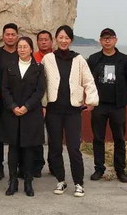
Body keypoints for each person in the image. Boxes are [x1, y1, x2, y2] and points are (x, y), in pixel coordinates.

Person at [41, 25, 98, 198]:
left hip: (73, 111)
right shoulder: (48, 59)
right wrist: (42, 105)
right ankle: (60, 180)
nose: (63, 40)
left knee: (74, 148)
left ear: (71, 40)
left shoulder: (79, 59)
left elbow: (88, 81)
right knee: (55, 148)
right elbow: (41, 83)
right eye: (61, 37)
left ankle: (79, 183)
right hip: (53, 110)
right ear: (56, 39)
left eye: (67, 38)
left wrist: (91, 100)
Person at [87, 28, 127, 183]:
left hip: (117, 106)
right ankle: (99, 169)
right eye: (104, 38)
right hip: (99, 105)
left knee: (119, 138)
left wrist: (120, 94)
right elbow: (88, 80)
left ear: (116, 40)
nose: (107, 41)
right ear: (100, 41)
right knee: (98, 138)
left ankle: (120, 170)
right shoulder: (94, 59)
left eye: (110, 38)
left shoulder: (124, 59)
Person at [0, 36, 45, 197]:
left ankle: (28, 182)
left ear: (31, 49)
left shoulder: (38, 68)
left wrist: (27, 106)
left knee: (28, 149)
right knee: (13, 148)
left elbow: (40, 91)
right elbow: (4, 89)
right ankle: (12, 181)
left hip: (31, 113)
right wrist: (13, 106)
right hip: (12, 113)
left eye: (25, 46)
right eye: (20, 47)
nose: (22, 49)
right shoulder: (10, 67)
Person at [0, 23, 19, 181]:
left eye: (13, 34)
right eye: (7, 34)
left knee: (17, 134)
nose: (10, 37)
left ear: (17, 36)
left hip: (17, 102)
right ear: (3, 36)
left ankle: (18, 166)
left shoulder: (21, 52)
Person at [31, 30, 54, 175]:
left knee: (54, 136)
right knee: (37, 135)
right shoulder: (33, 58)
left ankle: (54, 165)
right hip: (37, 102)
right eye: (41, 39)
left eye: (46, 39)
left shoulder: (56, 57)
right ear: (37, 42)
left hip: (54, 101)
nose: (44, 42)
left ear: (51, 41)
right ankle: (37, 165)